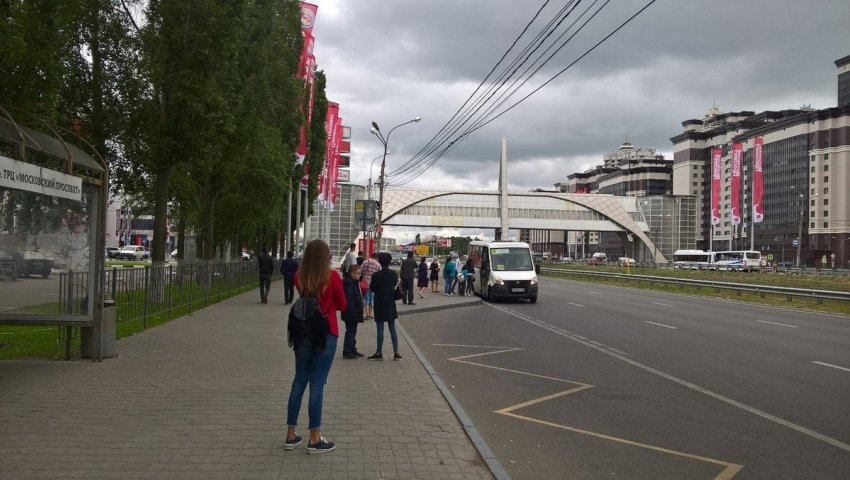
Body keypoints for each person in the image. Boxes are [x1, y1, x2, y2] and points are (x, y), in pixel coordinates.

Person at [286, 239, 346, 454]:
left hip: (302, 332)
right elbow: (342, 305)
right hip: (326, 333)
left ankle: (291, 435)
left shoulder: (298, 277)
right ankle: (314, 438)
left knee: (299, 379)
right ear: (326, 257)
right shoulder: (333, 277)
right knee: (317, 383)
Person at [368, 252, 402, 361]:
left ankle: (379, 352)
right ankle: (396, 352)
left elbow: (372, 288)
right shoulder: (393, 274)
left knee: (380, 327)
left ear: (379, 261)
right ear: (390, 261)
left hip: (379, 302)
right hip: (391, 302)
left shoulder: (376, 275)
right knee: (392, 327)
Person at [341, 264, 365, 359]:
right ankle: (347, 350)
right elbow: (349, 299)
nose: (360, 275)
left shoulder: (354, 283)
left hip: (354, 311)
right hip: (351, 312)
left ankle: (352, 348)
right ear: (352, 273)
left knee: (353, 331)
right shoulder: (349, 285)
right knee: (350, 331)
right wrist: (352, 311)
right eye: (358, 273)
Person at [360, 252, 381, 320]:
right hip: (374, 284)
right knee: (372, 299)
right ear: (376, 257)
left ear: (371, 256)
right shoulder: (378, 264)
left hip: (365, 283)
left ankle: (367, 314)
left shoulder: (366, 262)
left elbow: (360, 270)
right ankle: (370, 314)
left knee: (366, 299)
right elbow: (379, 274)